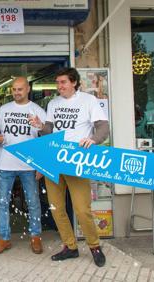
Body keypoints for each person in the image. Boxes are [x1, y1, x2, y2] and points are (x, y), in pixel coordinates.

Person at [29, 68, 110, 267]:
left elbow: (103, 128)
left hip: (77, 161)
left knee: (82, 209)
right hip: (54, 160)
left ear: (74, 82)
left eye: (63, 82)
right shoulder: (53, 103)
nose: (59, 86)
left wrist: (93, 140)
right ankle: (70, 247)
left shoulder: (88, 101)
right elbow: (49, 131)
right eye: (57, 83)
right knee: (56, 207)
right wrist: (40, 126)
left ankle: (94, 246)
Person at [0, 77, 46, 255]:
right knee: (2, 203)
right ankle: (4, 238)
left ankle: (36, 237)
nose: (16, 92)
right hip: (5, 163)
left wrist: (41, 166)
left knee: (33, 202)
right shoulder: (3, 110)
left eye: (20, 89)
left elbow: (45, 139)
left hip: (29, 165)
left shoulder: (37, 111)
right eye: (14, 89)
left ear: (28, 89)